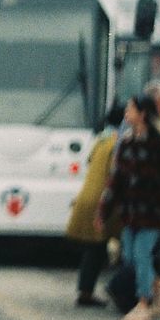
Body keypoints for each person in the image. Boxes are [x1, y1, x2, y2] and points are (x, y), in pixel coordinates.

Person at [98, 94, 160, 320]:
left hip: (153, 213)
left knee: (141, 255)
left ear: (142, 113)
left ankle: (143, 304)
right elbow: (115, 181)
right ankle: (159, 285)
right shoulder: (127, 142)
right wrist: (103, 211)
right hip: (131, 213)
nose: (126, 112)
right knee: (130, 258)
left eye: (130, 108)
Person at [64, 103, 125, 307]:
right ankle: (110, 290)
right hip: (101, 201)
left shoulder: (101, 139)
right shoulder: (116, 142)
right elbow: (114, 174)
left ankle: (86, 291)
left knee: (94, 248)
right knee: (105, 248)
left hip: (87, 197)